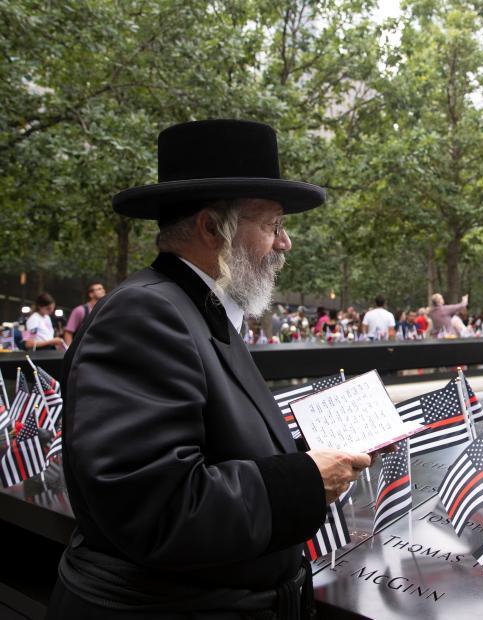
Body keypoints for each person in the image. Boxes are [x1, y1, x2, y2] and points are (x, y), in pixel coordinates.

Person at [49, 120, 372, 619]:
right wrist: (304, 481)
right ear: (209, 227)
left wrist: (308, 455)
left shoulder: (198, 309)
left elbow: (215, 448)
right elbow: (157, 507)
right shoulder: (145, 313)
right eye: (271, 225)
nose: (284, 243)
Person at [63, 282, 106, 346]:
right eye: (99, 289)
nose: (103, 290)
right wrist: (69, 351)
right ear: (91, 294)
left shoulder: (105, 310)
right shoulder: (80, 310)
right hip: (82, 350)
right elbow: (68, 333)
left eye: (103, 288)